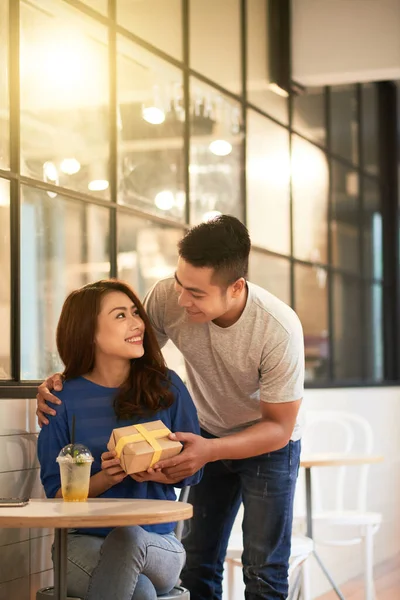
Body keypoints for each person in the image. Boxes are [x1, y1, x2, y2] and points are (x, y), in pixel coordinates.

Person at [36, 216, 304, 600]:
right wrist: (59, 382)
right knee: (197, 564)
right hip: (204, 431)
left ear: (236, 288)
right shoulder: (167, 298)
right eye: (179, 283)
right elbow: (123, 357)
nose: (180, 300)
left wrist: (207, 451)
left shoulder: (277, 329)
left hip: (267, 439)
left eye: (195, 293)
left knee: (263, 568)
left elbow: (278, 427)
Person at [37, 279, 202, 600]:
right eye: (120, 316)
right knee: (138, 592)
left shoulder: (167, 388)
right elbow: (56, 496)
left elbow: (195, 472)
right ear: (89, 334)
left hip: (158, 542)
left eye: (135, 312)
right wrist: (105, 477)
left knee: (129, 538)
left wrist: (159, 470)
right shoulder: (61, 400)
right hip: (82, 542)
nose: (137, 322)